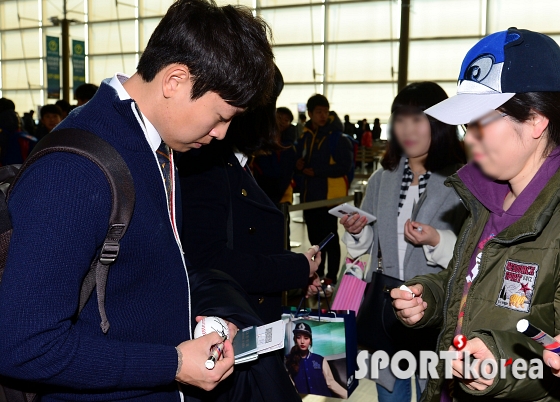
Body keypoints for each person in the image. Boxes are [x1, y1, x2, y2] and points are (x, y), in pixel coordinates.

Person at [0, 1, 275, 401]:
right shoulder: (75, 171)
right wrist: (173, 364)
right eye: (219, 116)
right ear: (175, 80)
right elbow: (23, 345)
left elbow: (142, 277)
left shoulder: (152, 148)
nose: (221, 134)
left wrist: (200, 329)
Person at [391, 28, 560, 402]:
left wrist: (500, 359)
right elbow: (468, 279)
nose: (468, 138)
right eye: (468, 126)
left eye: (481, 123)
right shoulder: (484, 198)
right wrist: (430, 296)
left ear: (535, 119)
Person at [342, 81, 467, 401]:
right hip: (386, 307)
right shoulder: (382, 179)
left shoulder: (462, 179)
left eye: (417, 119)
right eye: (400, 119)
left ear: (438, 123)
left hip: (436, 308)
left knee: (435, 392)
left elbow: (472, 253)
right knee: (390, 395)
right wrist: (357, 231)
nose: (407, 129)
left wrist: (437, 239)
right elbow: (367, 247)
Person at [179, 67, 320, 325]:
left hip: (243, 316)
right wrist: (295, 269)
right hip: (230, 324)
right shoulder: (208, 164)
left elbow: (246, 243)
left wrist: (299, 267)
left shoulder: (233, 160)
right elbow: (208, 259)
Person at [296, 94, 353, 285]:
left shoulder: (337, 138)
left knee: (330, 237)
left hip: (328, 196)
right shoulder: (306, 136)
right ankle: (317, 274)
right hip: (308, 195)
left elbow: (344, 166)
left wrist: (316, 171)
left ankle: (331, 275)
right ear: (310, 113)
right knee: (314, 238)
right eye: (318, 112)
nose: (322, 115)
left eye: (325, 112)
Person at [285, 322, 347, 398]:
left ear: (310, 341)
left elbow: (330, 382)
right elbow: (291, 386)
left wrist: (349, 396)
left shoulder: (320, 359)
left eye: (306, 338)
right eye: (298, 337)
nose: (302, 341)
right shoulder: (289, 360)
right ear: (295, 339)